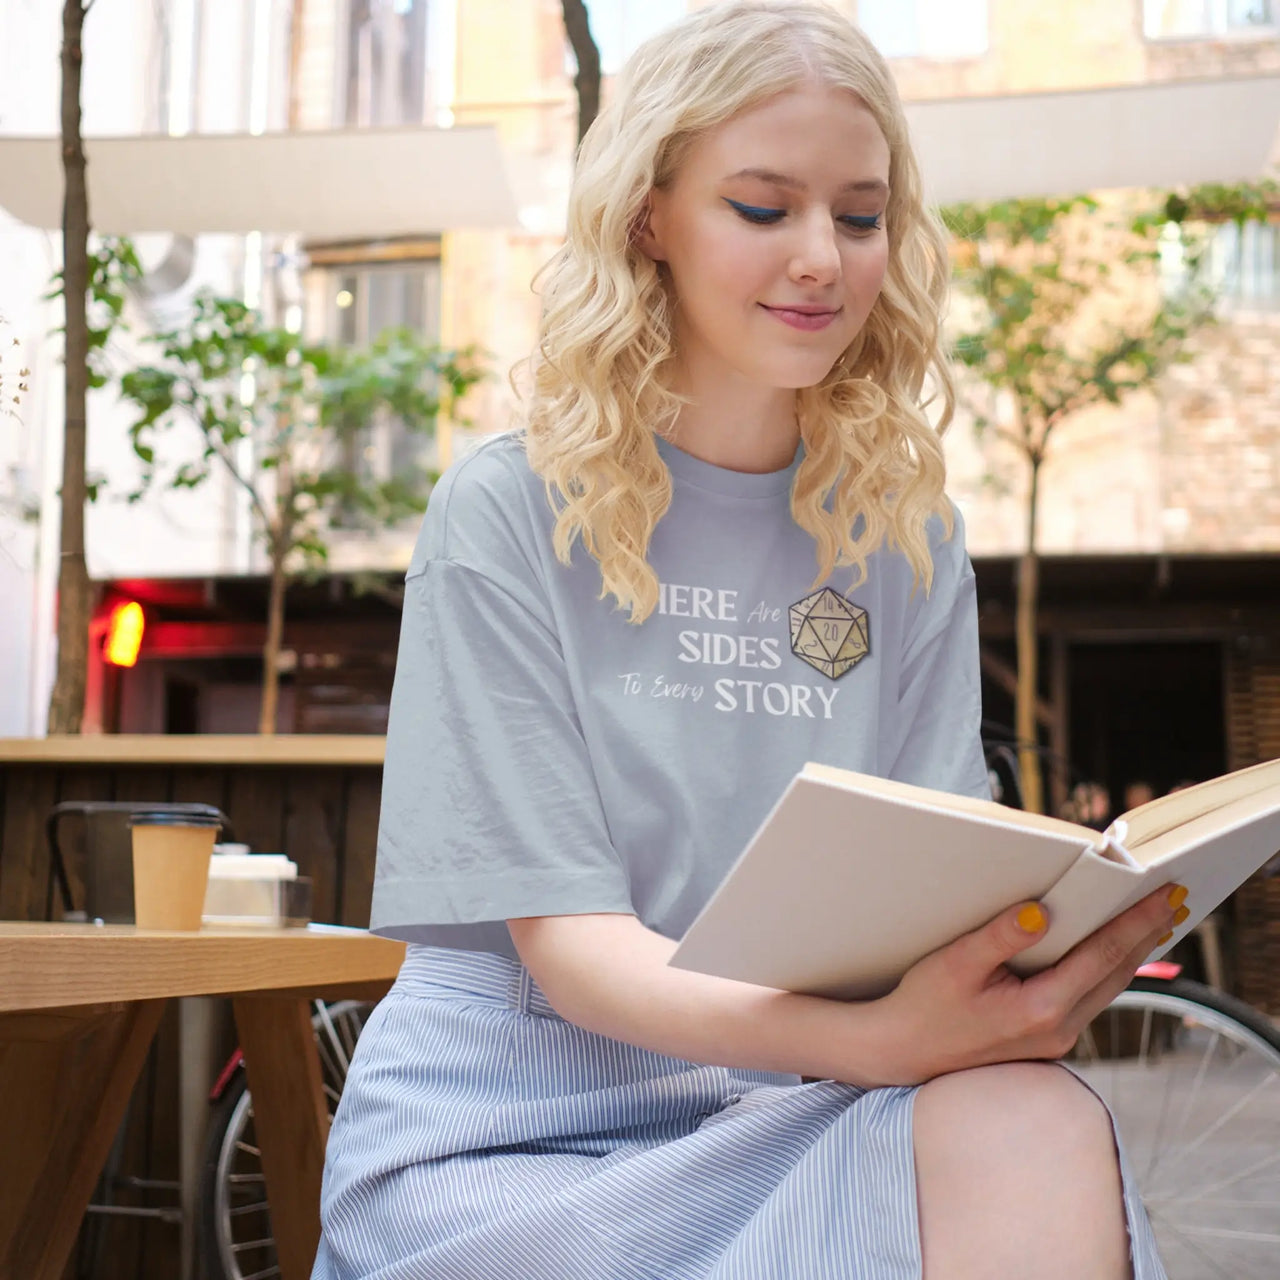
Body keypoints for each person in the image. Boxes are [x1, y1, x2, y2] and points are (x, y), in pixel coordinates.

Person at [312, 4, 1185, 1277]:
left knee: (1031, 1117)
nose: (822, 258)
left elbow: (931, 885)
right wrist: (885, 1043)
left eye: (860, 214)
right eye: (764, 209)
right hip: (513, 1121)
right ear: (648, 218)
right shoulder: (506, 507)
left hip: (798, 1095)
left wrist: (1012, 973)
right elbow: (575, 953)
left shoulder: (905, 534)